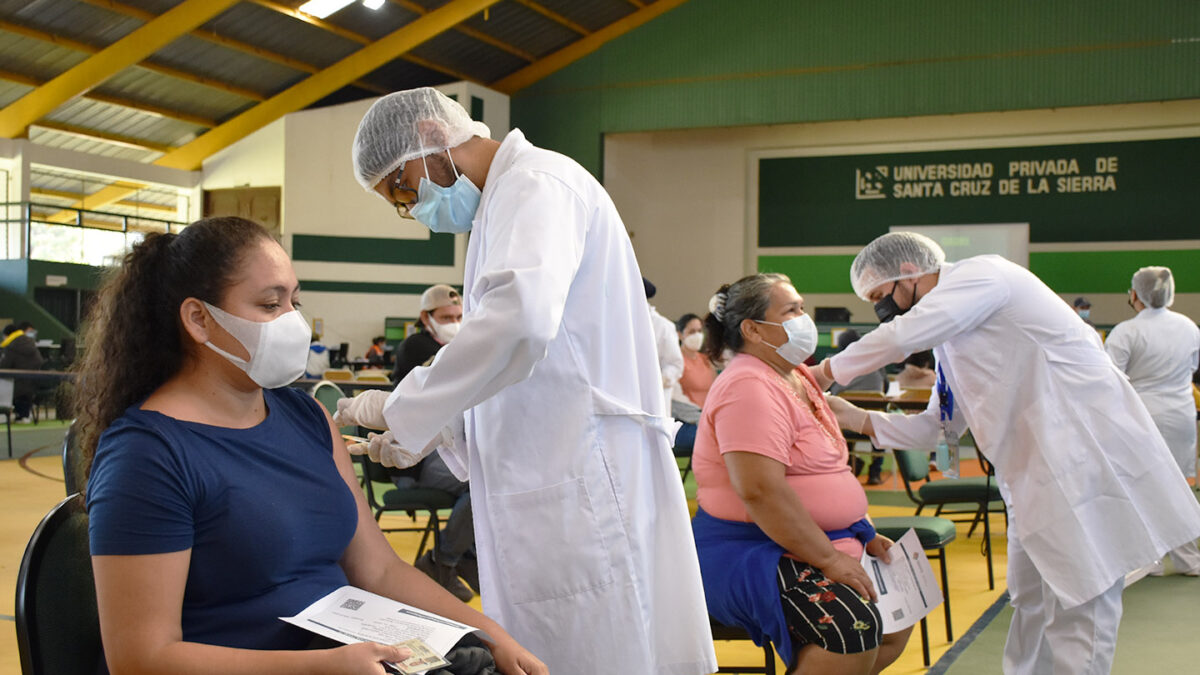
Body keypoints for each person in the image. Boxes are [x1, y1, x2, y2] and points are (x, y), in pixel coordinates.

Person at [339, 87, 716, 674]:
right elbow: (528, 369)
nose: (411, 209)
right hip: (553, 471)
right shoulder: (501, 205)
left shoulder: (538, 183)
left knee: (604, 649)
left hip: (582, 477)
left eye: (403, 189)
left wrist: (402, 406)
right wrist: (439, 430)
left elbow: (519, 322)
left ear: (432, 138)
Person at [73, 217, 544, 675]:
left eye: (294, 302)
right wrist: (318, 667)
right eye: (269, 305)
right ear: (198, 319)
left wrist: (488, 632)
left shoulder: (306, 417)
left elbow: (378, 570)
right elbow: (141, 659)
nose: (293, 322)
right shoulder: (147, 455)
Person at [815, 232, 1200, 675]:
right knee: (1030, 600)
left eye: (883, 297)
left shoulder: (986, 275)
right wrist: (855, 417)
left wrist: (824, 371)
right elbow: (939, 425)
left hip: (1080, 462)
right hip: (1032, 477)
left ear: (908, 273)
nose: (885, 310)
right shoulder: (950, 339)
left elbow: (903, 335)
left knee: (1082, 602)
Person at [691, 273, 911, 675]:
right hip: (752, 548)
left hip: (819, 538)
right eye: (791, 310)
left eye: (802, 308)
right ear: (753, 329)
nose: (802, 318)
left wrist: (861, 527)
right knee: (851, 630)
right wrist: (828, 559)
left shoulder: (796, 374)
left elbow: (828, 470)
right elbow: (760, 491)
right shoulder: (747, 386)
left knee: (899, 612)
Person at [1105, 266, 1200, 576]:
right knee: (1177, 487)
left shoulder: (1126, 332)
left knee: (1143, 486)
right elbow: (1193, 368)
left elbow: (1108, 378)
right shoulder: (1189, 327)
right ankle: (1189, 559)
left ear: (1135, 295)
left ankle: (1150, 559)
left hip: (1142, 416)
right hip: (1182, 415)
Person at [385, 285, 477, 602]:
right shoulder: (416, 347)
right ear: (427, 317)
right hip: (416, 458)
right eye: (446, 317)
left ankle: (464, 556)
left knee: (491, 474)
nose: (454, 321)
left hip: (443, 447)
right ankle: (444, 560)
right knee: (479, 484)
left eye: (459, 316)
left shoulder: (460, 346)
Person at [828, 329, 887, 485]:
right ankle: (875, 473)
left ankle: (850, 464)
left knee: (843, 420)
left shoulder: (835, 365)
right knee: (878, 427)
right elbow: (885, 388)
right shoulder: (876, 363)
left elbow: (830, 393)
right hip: (872, 425)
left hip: (844, 426)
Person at [391, 284, 462, 383]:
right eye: (446, 317)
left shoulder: (455, 345)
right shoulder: (414, 345)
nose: (455, 323)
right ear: (425, 317)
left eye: (459, 317)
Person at [645, 277, 684, 414]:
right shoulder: (618, 323)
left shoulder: (662, 326)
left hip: (654, 400)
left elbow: (675, 365)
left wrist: (660, 379)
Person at [0, 320, 45, 421]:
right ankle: (23, 415)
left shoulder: (11, 346)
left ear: (7, 335)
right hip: (34, 383)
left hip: (17, 385)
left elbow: (4, 366)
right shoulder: (30, 343)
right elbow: (40, 361)